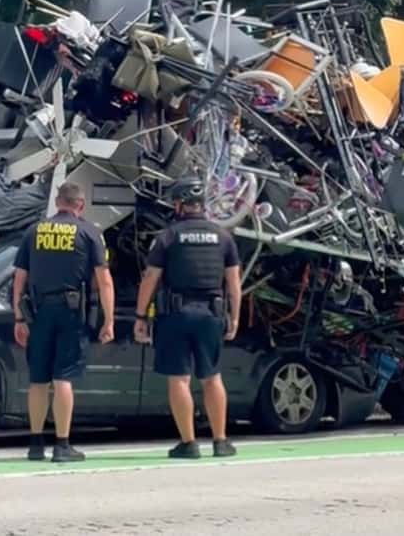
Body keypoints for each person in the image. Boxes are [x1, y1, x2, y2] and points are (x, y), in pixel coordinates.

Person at [133, 175, 242, 459]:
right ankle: (220, 441)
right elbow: (234, 283)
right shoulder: (223, 236)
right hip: (211, 314)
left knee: (179, 379)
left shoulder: (167, 237)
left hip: (175, 315)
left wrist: (140, 315)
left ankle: (189, 443)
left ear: (179, 205)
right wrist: (235, 317)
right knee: (212, 377)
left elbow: (150, 279)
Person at [12, 182, 116, 462]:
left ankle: (35, 445)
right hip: (71, 312)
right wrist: (109, 320)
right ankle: (62, 444)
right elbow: (104, 281)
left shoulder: (34, 231)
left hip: (38, 312)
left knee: (38, 380)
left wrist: (19, 317)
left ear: (58, 202)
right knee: (62, 379)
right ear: (80, 205)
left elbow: (19, 278)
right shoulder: (89, 232)